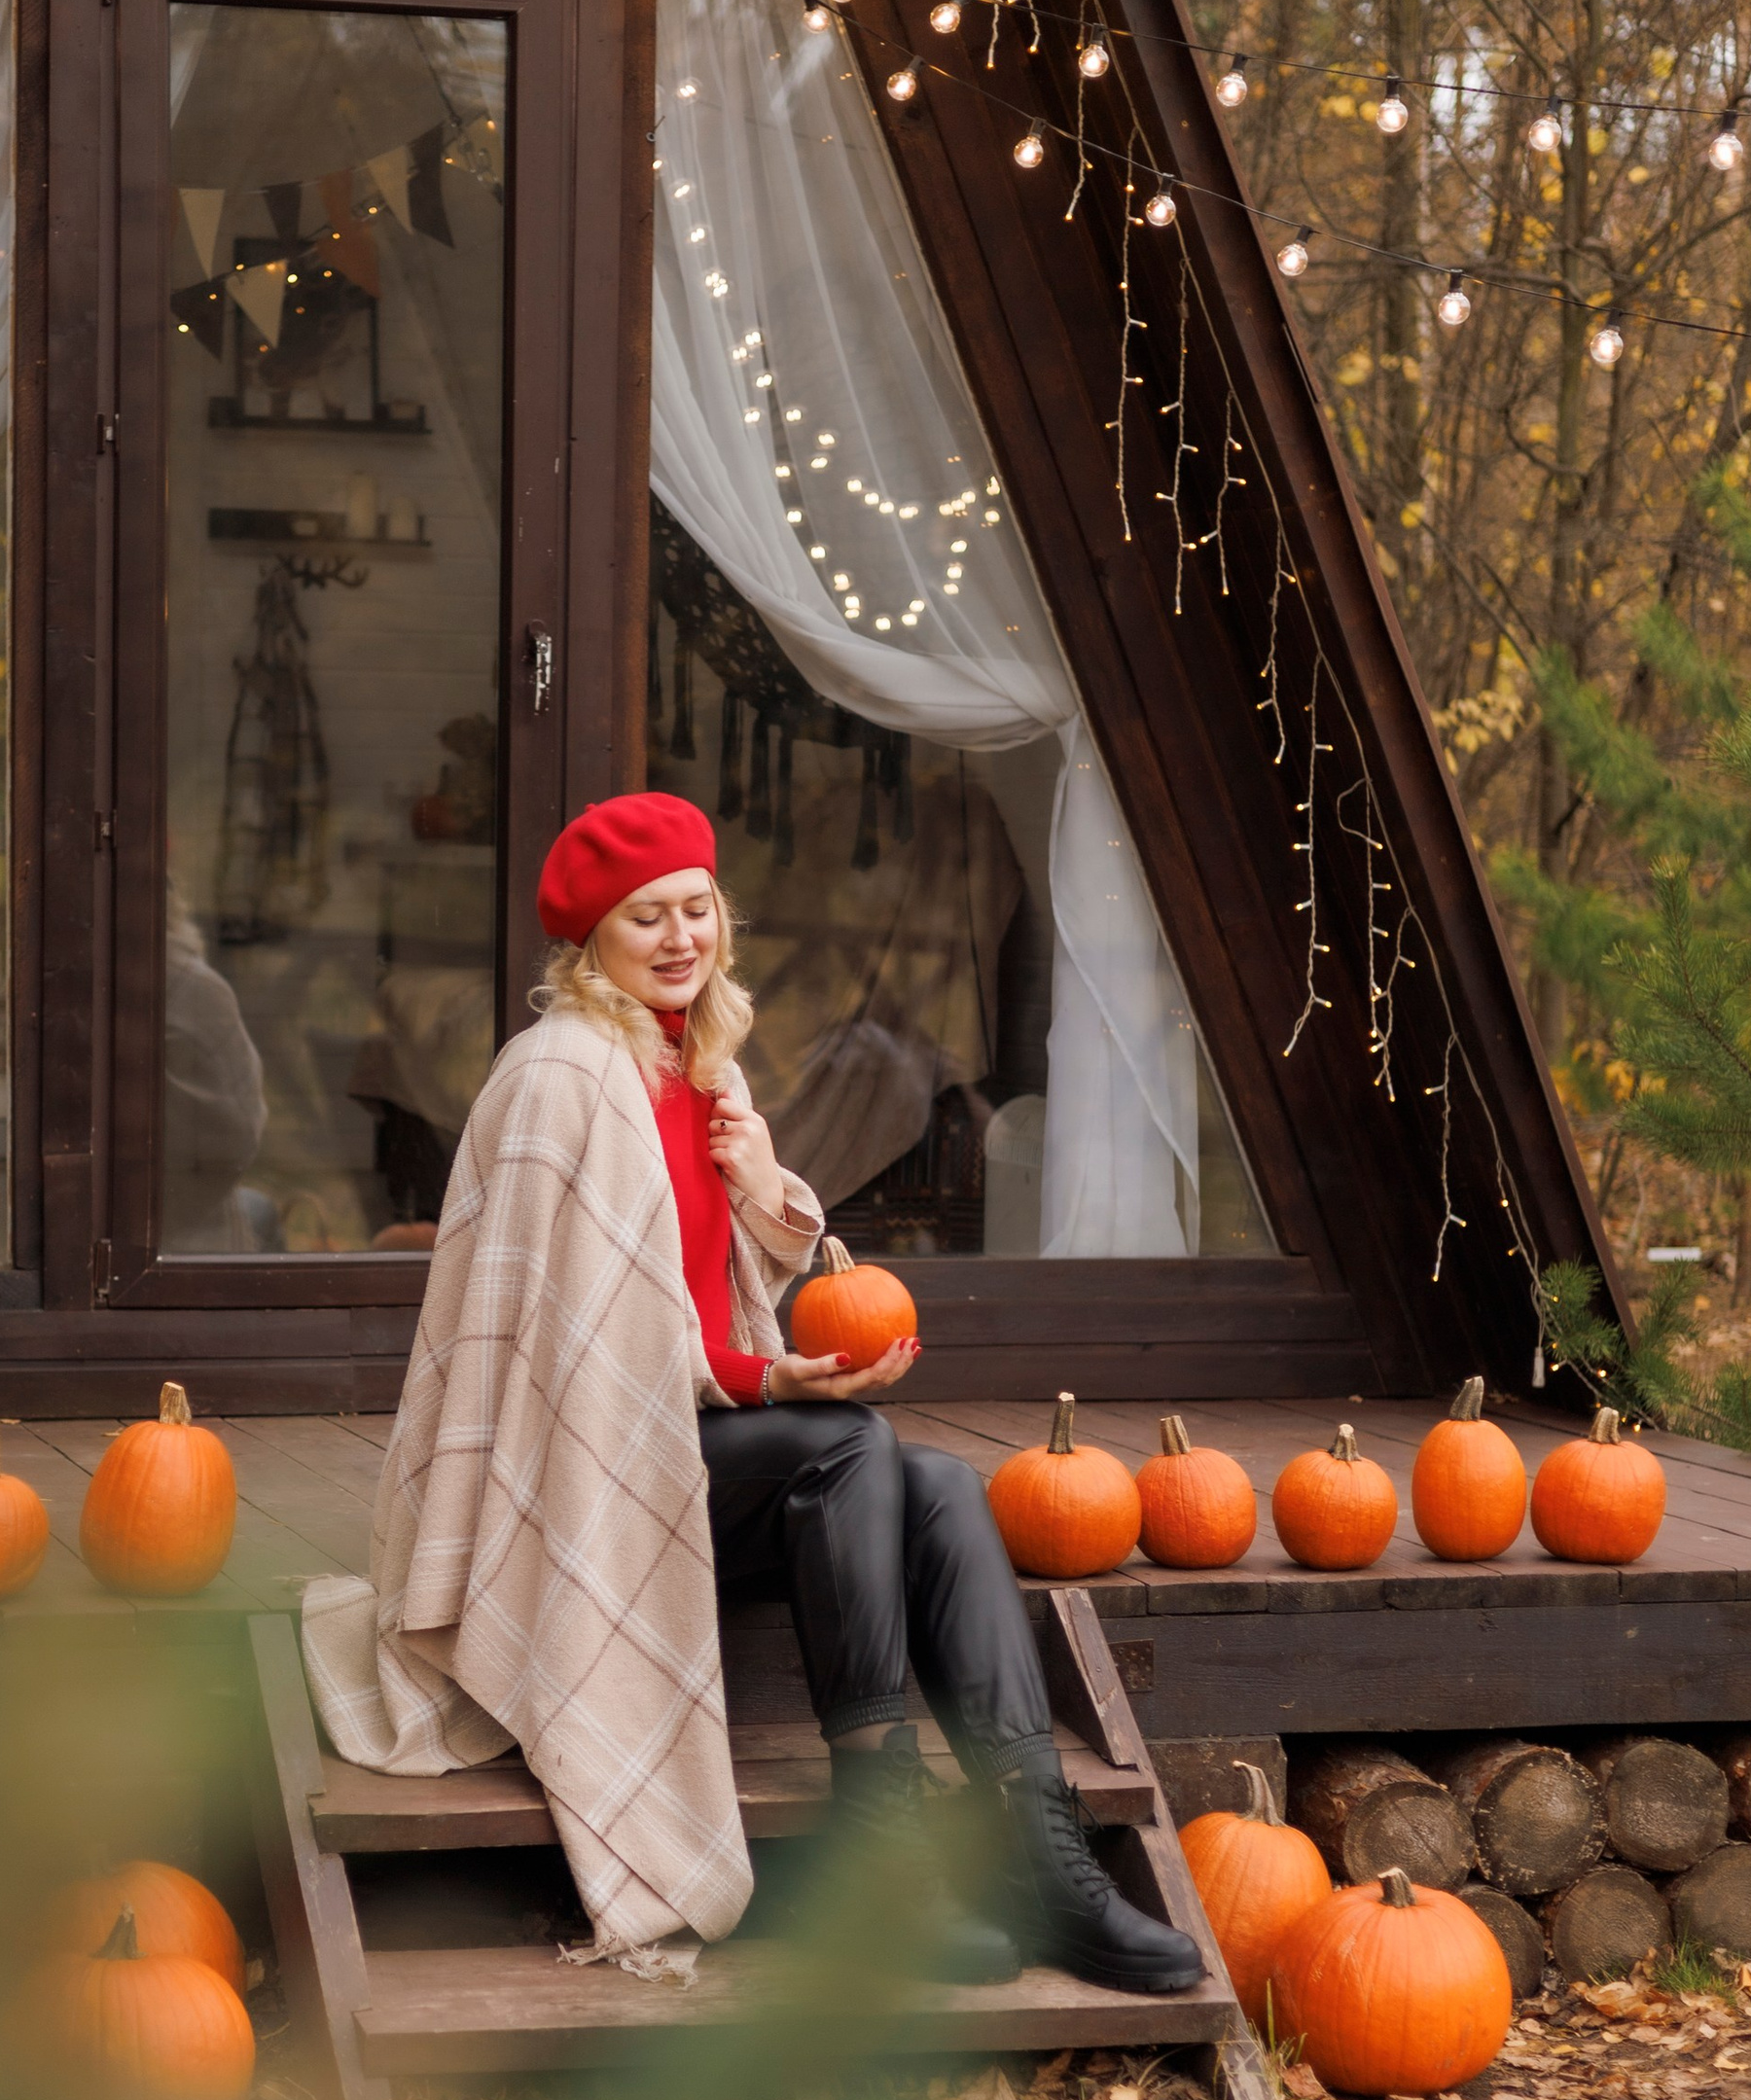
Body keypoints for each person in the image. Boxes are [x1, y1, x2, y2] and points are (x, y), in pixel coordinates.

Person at [302, 791, 1200, 1993]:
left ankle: (1043, 1863)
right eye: (645, 920)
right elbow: (583, 1355)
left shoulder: (693, 1067)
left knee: (931, 1485)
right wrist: (773, 1375)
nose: (679, 939)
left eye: (695, 910)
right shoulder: (560, 1078)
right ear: (589, 946)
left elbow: (686, 1297)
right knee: (848, 1447)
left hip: (667, 1440)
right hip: (574, 1480)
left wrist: (758, 1183)